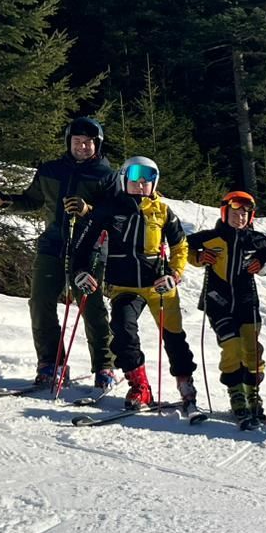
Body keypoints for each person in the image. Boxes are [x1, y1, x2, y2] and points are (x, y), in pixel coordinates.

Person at [0, 116, 120, 392]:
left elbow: (117, 215)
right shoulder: (50, 170)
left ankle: (104, 365)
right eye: (77, 141)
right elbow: (32, 200)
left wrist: (88, 210)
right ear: (68, 142)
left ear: (97, 144)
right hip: (53, 245)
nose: (82, 146)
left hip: (89, 250)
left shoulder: (107, 176)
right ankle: (51, 363)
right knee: (40, 303)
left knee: (91, 307)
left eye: (88, 142)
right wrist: (5, 201)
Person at [70, 156, 194, 411]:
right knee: (123, 331)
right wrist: (80, 271)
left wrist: (174, 274)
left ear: (154, 183)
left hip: (158, 285)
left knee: (173, 336)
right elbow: (82, 244)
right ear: (124, 178)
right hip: (124, 286)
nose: (140, 184)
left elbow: (180, 245)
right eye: (135, 177)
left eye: (147, 179)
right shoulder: (108, 208)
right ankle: (140, 386)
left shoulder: (162, 211)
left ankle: (185, 383)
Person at [186, 190, 266, 425]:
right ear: (224, 213)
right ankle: (236, 394)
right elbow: (184, 246)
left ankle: (253, 394)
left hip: (247, 302)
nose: (240, 218)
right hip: (218, 302)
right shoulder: (211, 237)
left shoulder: (256, 240)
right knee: (232, 346)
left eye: (245, 214)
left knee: (252, 350)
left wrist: (261, 262)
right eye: (235, 213)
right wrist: (199, 258)